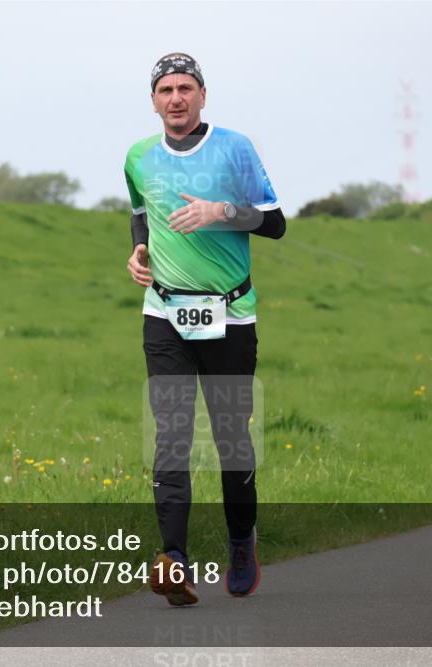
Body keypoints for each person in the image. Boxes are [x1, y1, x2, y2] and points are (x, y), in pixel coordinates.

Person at [123, 53, 286, 605]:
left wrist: (222, 211)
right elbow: (140, 212)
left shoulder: (235, 148)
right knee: (170, 436)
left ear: (203, 95)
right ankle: (175, 560)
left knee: (231, 441)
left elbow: (276, 222)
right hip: (163, 313)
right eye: (165, 89)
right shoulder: (138, 156)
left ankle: (242, 542)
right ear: (153, 99)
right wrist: (139, 250)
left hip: (229, 316)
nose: (176, 98)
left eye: (185, 88)